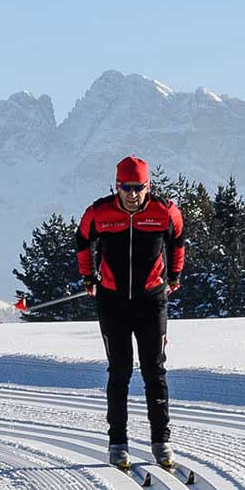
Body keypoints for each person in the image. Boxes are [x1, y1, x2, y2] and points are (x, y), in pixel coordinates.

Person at [74, 155, 185, 470]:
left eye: (139, 187)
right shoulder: (99, 212)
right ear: (117, 185)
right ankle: (117, 442)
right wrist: (88, 276)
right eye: (126, 187)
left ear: (147, 186)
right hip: (113, 302)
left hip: (151, 301)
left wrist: (174, 276)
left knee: (154, 370)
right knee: (119, 371)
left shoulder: (165, 211)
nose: (133, 194)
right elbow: (83, 241)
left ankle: (161, 441)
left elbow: (178, 242)